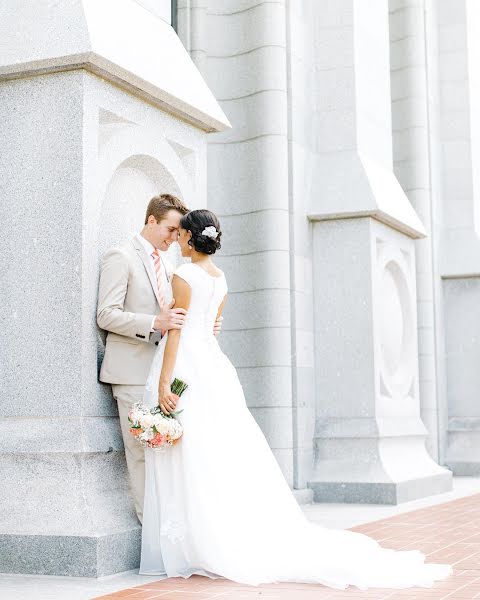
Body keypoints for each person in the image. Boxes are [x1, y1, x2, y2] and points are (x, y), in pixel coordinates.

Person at [138, 208, 452, 590]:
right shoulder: (221, 280)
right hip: (213, 368)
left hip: (186, 365)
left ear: (189, 238)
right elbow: (213, 328)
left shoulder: (182, 275)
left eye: (182, 235)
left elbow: (177, 331)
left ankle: (195, 540)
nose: (179, 241)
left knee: (190, 452)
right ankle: (211, 533)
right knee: (215, 450)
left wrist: (164, 382)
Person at [97, 194, 223, 523]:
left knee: (166, 453)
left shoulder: (171, 267)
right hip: (130, 371)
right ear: (151, 221)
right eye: (169, 229)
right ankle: (149, 528)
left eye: (178, 232)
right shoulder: (120, 256)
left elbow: (180, 316)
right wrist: (155, 323)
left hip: (163, 373)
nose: (174, 237)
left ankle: (167, 529)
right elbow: (106, 315)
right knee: (139, 453)